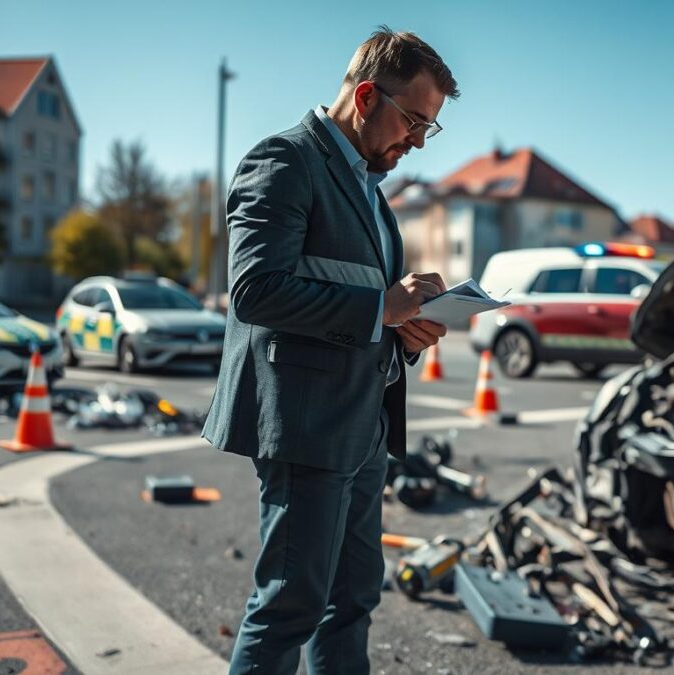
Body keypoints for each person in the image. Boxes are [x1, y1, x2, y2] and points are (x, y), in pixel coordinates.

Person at [201, 26, 460, 674]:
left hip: (363, 432)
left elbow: (367, 309)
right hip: (306, 429)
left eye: (430, 129)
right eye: (414, 122)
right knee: (291, 605)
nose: (417, 142)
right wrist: (382, 307)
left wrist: (405, 329)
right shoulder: (285, 161)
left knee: (351, 602)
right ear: (368, 95)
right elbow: (255, 290)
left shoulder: (374, 193)